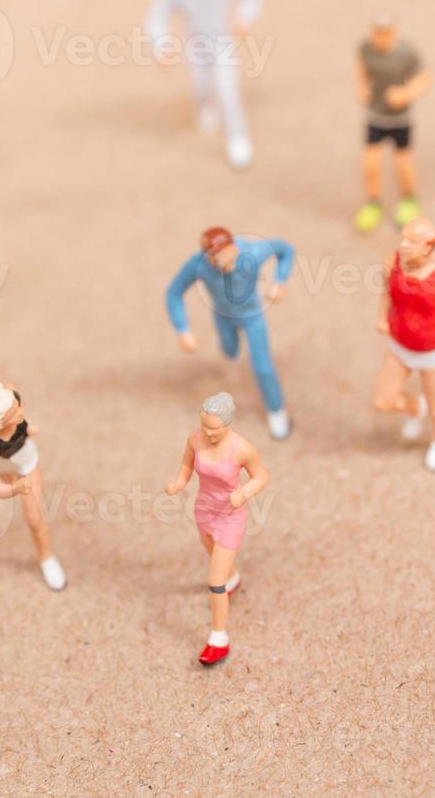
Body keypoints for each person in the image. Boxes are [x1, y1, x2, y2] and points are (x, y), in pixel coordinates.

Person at [164, 392, 271, 666]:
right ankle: (233, 578)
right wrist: (179, 482)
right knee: (214, 558)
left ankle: (218, 638)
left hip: (230, 517)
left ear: (229, 423)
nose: (209, 434)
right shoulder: (194, 439)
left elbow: (262, 476)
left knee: (215, 582)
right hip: (204, 510)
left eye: (215, 429)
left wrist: (244, 493)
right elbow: (186, 463)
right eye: (205, 427)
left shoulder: (241, 448)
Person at [166, 227, 294, 440]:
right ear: (209, 257)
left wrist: (280, 281)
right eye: (219, 257)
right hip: (223, 317)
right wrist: (182, 329)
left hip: (253, 317)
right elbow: (174, 291)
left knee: (262, 367)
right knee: (230, 351)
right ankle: (230, 345)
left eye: (229, 253)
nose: (226, 261)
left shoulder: (253, 252)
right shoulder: (198, 265)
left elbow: (286, 250)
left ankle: (277, 411)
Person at [146, 0, 263, 170]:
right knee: (201, 87)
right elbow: (157, 14)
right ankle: (207, 107)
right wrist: (161, 45)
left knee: (228, 92)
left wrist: (244, 16)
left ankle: (238, 139)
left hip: (222, 43)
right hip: (197, 47)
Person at [372, 218, 435, 471]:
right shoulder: (391, 261)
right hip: (399, 346)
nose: (403, 245)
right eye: (402, 238)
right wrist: (382, 316)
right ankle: (416, 408)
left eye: (411, 242)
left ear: (428, 247)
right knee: (384, 400)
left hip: (432, 353)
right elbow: (387, 292)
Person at [0, 377, 66, 591]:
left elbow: (11, 387)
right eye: (13, 414)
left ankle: (46, 557)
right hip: (8, 474)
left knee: (34, 519)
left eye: (17, 408)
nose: (21, 414)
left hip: (28, 466)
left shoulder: (12, 401)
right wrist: (14, 489)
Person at [354, 14, 433, 232]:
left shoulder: (406, 53)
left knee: (403, 161)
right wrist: (361, 87)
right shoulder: (366, 49)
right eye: (377, 33)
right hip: (375, 116)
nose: (380, 38)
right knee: (371, 162)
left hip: (399, 119)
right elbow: (361, 70)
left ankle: (409, 200)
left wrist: (406, 94)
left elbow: (425, 79)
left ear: (394, 32)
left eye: (385, 33)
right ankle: (373, 202)